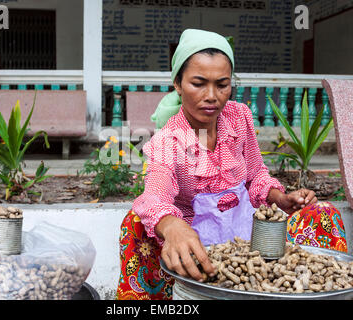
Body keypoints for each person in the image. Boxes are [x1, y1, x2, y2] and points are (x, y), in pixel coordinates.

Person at [116, 29, 348, 300]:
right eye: (198, 83)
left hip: (249, 237)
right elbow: (155, 193)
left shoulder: (239, 118)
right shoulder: (168, 140)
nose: (212, 95)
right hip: (197, 246)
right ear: (178, 84)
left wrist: (280, 198)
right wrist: (171, 226)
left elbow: (255, 175)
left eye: (222, 84)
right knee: (134, 225)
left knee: (322, 212)